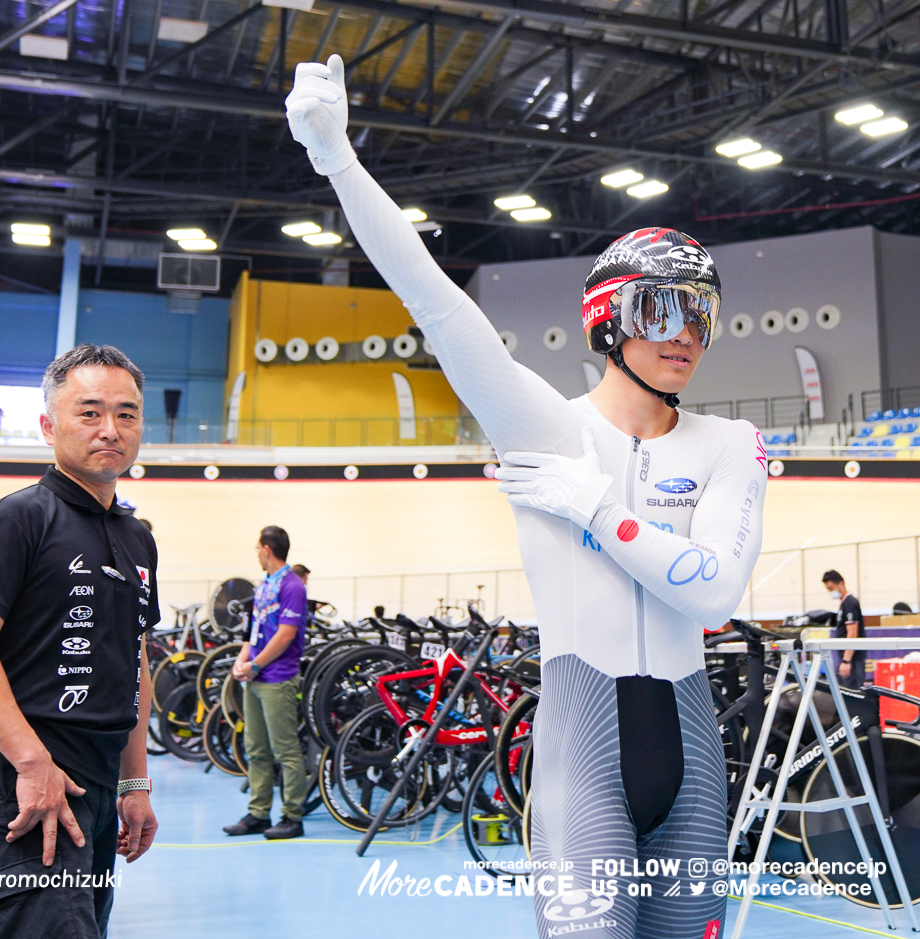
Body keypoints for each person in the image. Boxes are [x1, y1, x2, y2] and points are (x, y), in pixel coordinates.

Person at [286, 53, 766, 939]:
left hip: (693, 756)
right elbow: (437, 305)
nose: (686, 336)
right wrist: (338, 161)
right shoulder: (546, 429)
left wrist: (596, 509)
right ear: (611, 322)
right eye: (663, 311)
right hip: (585, 754)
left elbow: (711, 590)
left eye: (700, 313)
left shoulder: (729, 444)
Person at [0, 345, 160, 939]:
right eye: (89, 413)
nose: (110, 430)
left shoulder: (137, 538)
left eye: (127, 414)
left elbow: (130, 662)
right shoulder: (20, 519)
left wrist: (134, 780)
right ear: (48, 426)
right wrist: (32, 763)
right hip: (18, 780)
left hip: (95, 780)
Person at [224, 526, 309, 839]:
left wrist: (256, 665)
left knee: (285, 751)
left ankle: (292, 816)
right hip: (255, 677)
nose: (257, 553)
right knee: (256, 749)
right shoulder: (264, 586)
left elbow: (286, 634)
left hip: (278, 679)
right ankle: (259, 812)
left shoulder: (292, 586)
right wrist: (242, 659)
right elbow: (254, 629)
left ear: (267, 549)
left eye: (257, 548)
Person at [822, 571, 867, 687]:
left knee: (851, 696)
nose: (830, 592)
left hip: (852, 660)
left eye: (831, 588)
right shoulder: (844, 604)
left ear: (841, 584)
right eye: (828, 589)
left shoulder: (850, 603)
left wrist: (846, 661)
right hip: (845, 658)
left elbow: (852, 633)